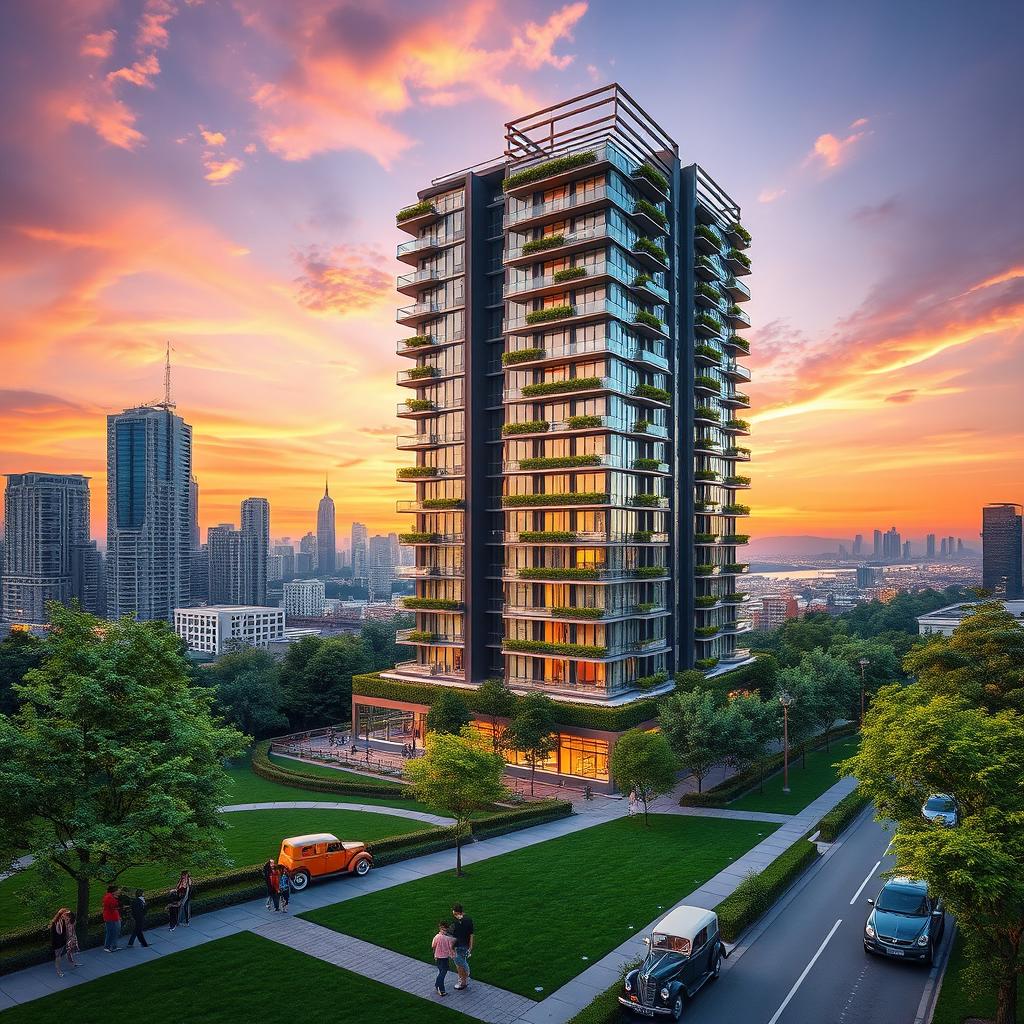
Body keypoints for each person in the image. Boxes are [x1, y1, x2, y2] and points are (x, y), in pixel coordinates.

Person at [450, 903, 475, 991]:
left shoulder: (455, 922)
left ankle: (462, 982)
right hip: (466, 945)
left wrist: (450, 947)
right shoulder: (469, 920)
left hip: (457, 946)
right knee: (462, 961)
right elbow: (471, 934)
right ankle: (464, 979)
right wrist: (471, 946)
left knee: (459, 965)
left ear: (457, 912)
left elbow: (452, 936)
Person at [431, 921, 455, 997]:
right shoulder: (448, 938)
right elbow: (450, 948)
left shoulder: (436, 937)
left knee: (441, 971)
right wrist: (453, 956)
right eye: (444, 930)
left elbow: (433, 946)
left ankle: (437, 985)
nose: (444, 931)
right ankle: (440, 989)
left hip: (437, 957)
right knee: (443, 973)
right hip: (444, 958)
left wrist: (434, 955)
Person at [49, 908, 70, 976]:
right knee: (58, 956)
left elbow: (65, 931)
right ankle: (58, 971)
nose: (67, 916)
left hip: (62, 941)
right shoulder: (54, 923)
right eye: (66, 914)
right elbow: (53, 936)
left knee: (59, 955)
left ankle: (59, 970)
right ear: (62, 915)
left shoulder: (63, 921)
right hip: (57, 942)